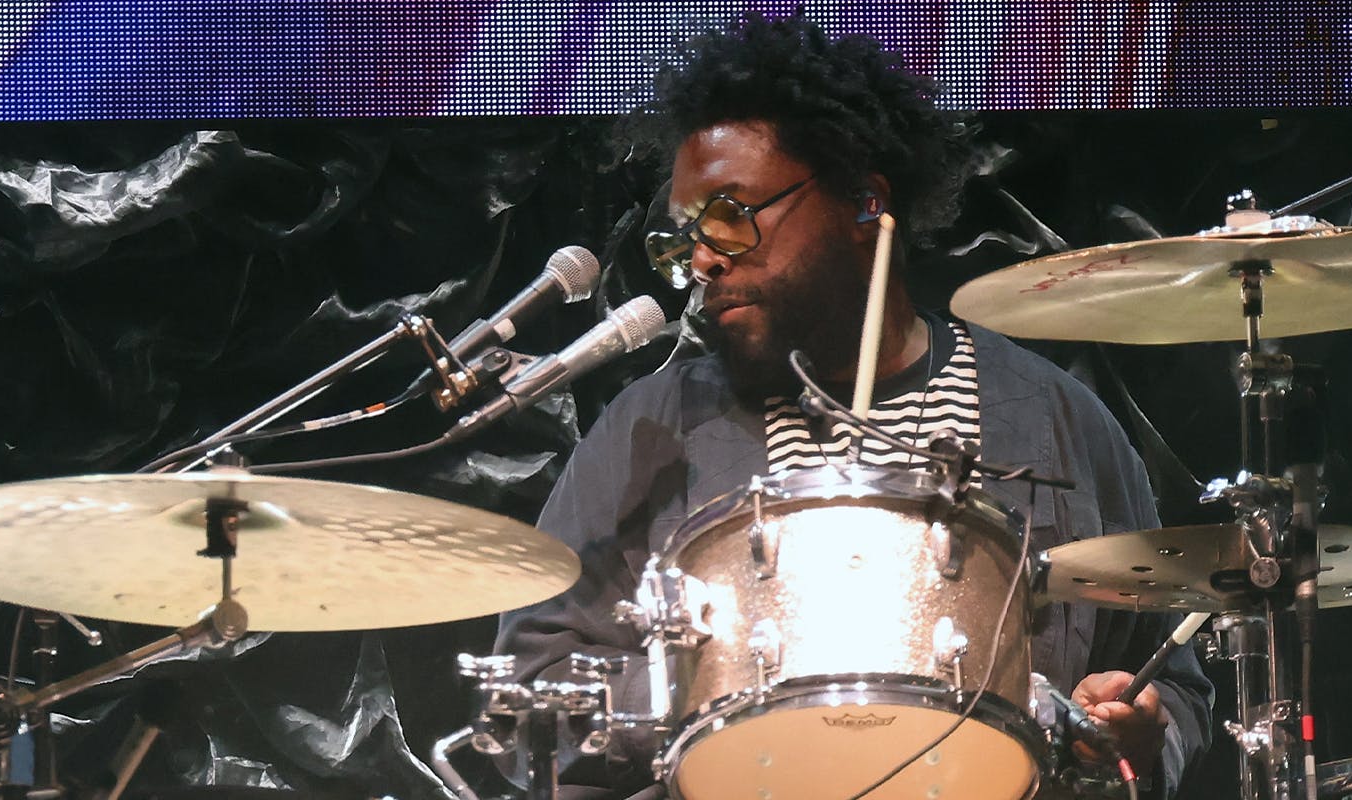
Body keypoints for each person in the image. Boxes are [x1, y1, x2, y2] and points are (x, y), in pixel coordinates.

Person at [493, 13, 1212, 799]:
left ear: (865, 203)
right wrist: (709, 685)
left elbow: (1172, 684)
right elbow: (538, 681)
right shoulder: (652, 429)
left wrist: (1137, 724)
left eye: (732, 215)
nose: (702, 259)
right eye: (684, 237)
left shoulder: (1056, 420)